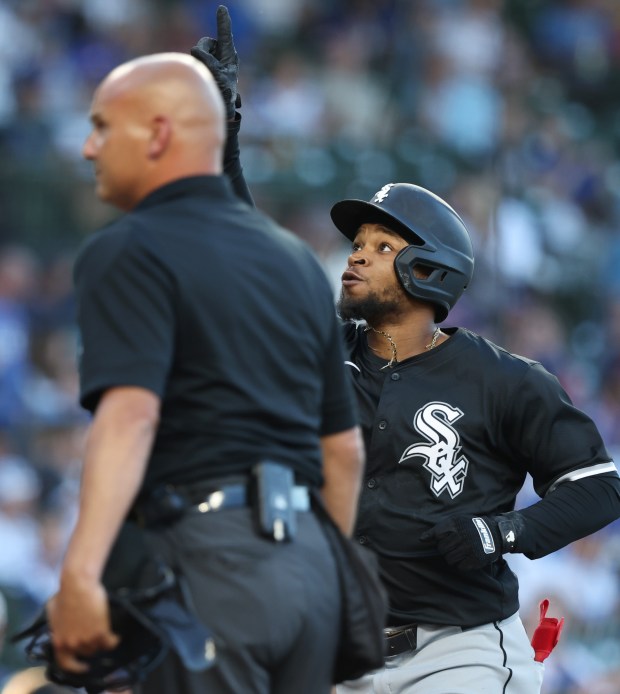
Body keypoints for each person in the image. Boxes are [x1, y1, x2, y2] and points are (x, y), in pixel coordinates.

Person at [193, 8, 620, 693]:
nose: (356, 257)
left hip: (460, 651)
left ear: (431, 272)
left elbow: (599, 488)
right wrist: (221, 144)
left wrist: (503, 533)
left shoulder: (501, 380)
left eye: (381, 248)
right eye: (358, 245)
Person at [45, 50, 365, 694]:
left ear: (159, 134)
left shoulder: (128, 246)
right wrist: (325, 579)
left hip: (208, 563)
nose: (87, 147)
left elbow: (132, 415)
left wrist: (79, 574)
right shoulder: (297, 262)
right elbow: (345, 452)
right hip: (309, 572)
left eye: (104, 126)